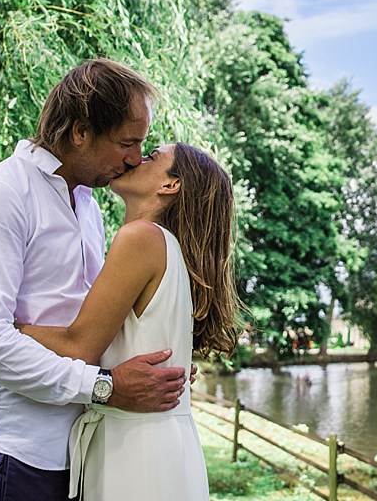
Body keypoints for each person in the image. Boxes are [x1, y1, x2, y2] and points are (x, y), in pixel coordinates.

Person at [0, 59, 190, 501]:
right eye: (126, 143)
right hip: (10, 461)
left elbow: (92, 327)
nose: (135, 158)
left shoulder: (88, 207)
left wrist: (156, 366)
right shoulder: (1, 195)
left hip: (76, 460)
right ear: (81, 132)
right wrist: (103, 388)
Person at [16, 142, 241, 501]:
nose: (136, 158)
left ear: (170, 185)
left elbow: (79, 345)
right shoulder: (169, 249)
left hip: (137, 448)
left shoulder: (141, 238)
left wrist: (7, 329)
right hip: (161, 441)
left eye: (151, 157)